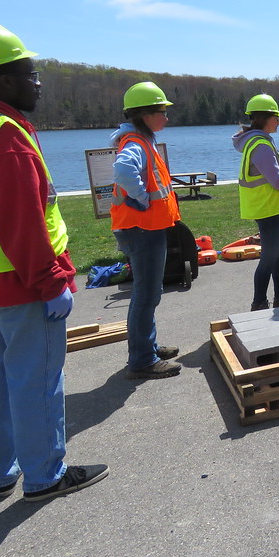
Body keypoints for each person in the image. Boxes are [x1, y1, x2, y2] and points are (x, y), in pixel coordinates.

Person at [0, 24, 108, 502]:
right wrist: (49, 282)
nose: (38, 81)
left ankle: (2, 469)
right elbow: (21, 222)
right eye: (31, 72)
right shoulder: (1, 133)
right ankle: (45, 475)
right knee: (37, 379)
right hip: (22, 283)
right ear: (3, 80)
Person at [110, 81, 182, 380]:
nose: (166, 116)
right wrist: (139, 197)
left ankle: (147, 348)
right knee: (146, 294)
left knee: (148, 294)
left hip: (144, 227)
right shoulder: (136, 144)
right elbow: (123, 171)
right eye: (161, 111)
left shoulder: (141, 140)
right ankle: (141, 360)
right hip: (141, 228)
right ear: (144, 115)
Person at [233, 94, 279, 311]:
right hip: (268, 207)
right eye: (276, 117)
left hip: (274, 206)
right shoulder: (260, 144)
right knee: (270, 257)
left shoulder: (259, 140)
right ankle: (259, 303)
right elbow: (277, 180)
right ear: (264, 118)